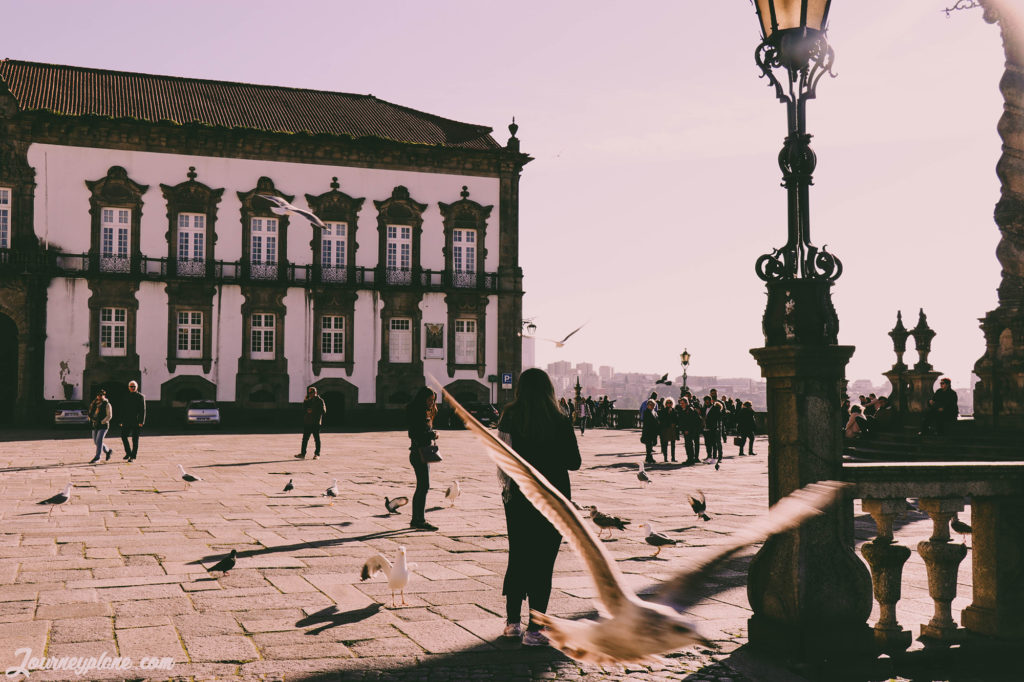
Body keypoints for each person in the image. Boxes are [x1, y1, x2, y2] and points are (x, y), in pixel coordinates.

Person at [496, 368, 581, 646]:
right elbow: (574, 462)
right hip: (553, 499)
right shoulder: (559, 418)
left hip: (520, 497)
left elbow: (503, 457)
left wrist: (508, 489)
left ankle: (512, 623)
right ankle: (535, 629)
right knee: (543, 563)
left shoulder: (510, 415)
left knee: (519, 555)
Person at [407, 387, 439, 531]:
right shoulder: (418, 413)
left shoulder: (421, 412)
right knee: (423, 486)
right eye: (429, 400)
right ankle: (418, 520)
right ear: (423, 399)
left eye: (433, 400)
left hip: (420, 452)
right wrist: (432, 435)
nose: (432, 403)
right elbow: (415, 434)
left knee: (422, 486)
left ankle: (418, 519)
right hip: (419, 452)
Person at [295, 386, 327, 459]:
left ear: (315, 392)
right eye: (308, 393)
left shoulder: (320, 400)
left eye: (311, 392)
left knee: (317, 439)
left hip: (316, 422)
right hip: (308, 422)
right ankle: (302, 454)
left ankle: (317, 454)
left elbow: (324, 411)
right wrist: (305, 401)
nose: (309, 394)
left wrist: (313, 411)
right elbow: (304, 409)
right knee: (305, 439)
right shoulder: (308, 401)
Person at [120, 380, 146, 462]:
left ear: (136, 387)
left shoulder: (140, 396)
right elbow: (122, 409)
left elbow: (143, 410)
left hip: (136, 420)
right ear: (128, 387)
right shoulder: (125, 396)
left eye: (134, 386)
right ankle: (128, 453)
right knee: (123, 436)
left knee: (135, 439)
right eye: (131, 386)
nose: (132, 388)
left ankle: (133, 456)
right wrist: (121, 420)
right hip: (126, 420)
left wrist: (141, 421)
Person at [88, 389, 114, 464]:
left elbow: (109, 415)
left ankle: (97, 457)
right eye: (98, 395)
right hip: (95, 424)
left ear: (104, 395)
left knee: (99, 441)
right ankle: (108, 451)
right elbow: (91, 412)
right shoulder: (94, 403)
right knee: (96, 442)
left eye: (101, 395)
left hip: (103, 425)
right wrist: (92, 418)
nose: (99, 396)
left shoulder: (107, 404)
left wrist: (103, 421)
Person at [679, 400, 703, 465]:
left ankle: (691, 459)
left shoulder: (689, 410)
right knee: (688, 445)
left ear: (686, 403)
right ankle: (689, 458)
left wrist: (687, 429)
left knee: (689, 444)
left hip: (690, 430)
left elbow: (690, 421)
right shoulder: (685, 409)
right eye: (681, 403)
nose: (681, 404)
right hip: (688, 430)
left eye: (683, 403)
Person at [702, 397, 724, 465]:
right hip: (706, 428)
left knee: (714, 444)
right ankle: (709, 457)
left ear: (711, 400)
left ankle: (714, 458)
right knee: (707, 443)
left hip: (714, 428)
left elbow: (719, 419)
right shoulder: (704, 408)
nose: (707, 402)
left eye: (708, 401)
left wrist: (717, 428)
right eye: (706, 401)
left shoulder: (716, 408)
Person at [658, 398, 679, 462]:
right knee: (665, 444)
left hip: (672, 429)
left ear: (672, 404)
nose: (669, 404)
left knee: (673, 444)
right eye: (668, 403)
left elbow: (676, 419)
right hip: (665, 428)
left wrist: (675, 424)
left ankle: (673, 458)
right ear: (665, 404)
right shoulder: (663, 410)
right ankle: (665, 457)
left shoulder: (674, 411)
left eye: (670, 403)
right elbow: (661, 419)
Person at [640, 399, 660, 465]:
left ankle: (648, 457)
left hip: (653, 431)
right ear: (647, 405)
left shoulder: (654, 412)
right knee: (648, 445)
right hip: (648, 430)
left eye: (653, 405)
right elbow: (647, 422)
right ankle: (649, 457)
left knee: (651, 445)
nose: (651, 406)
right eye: (650, 404)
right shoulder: (646, 412)